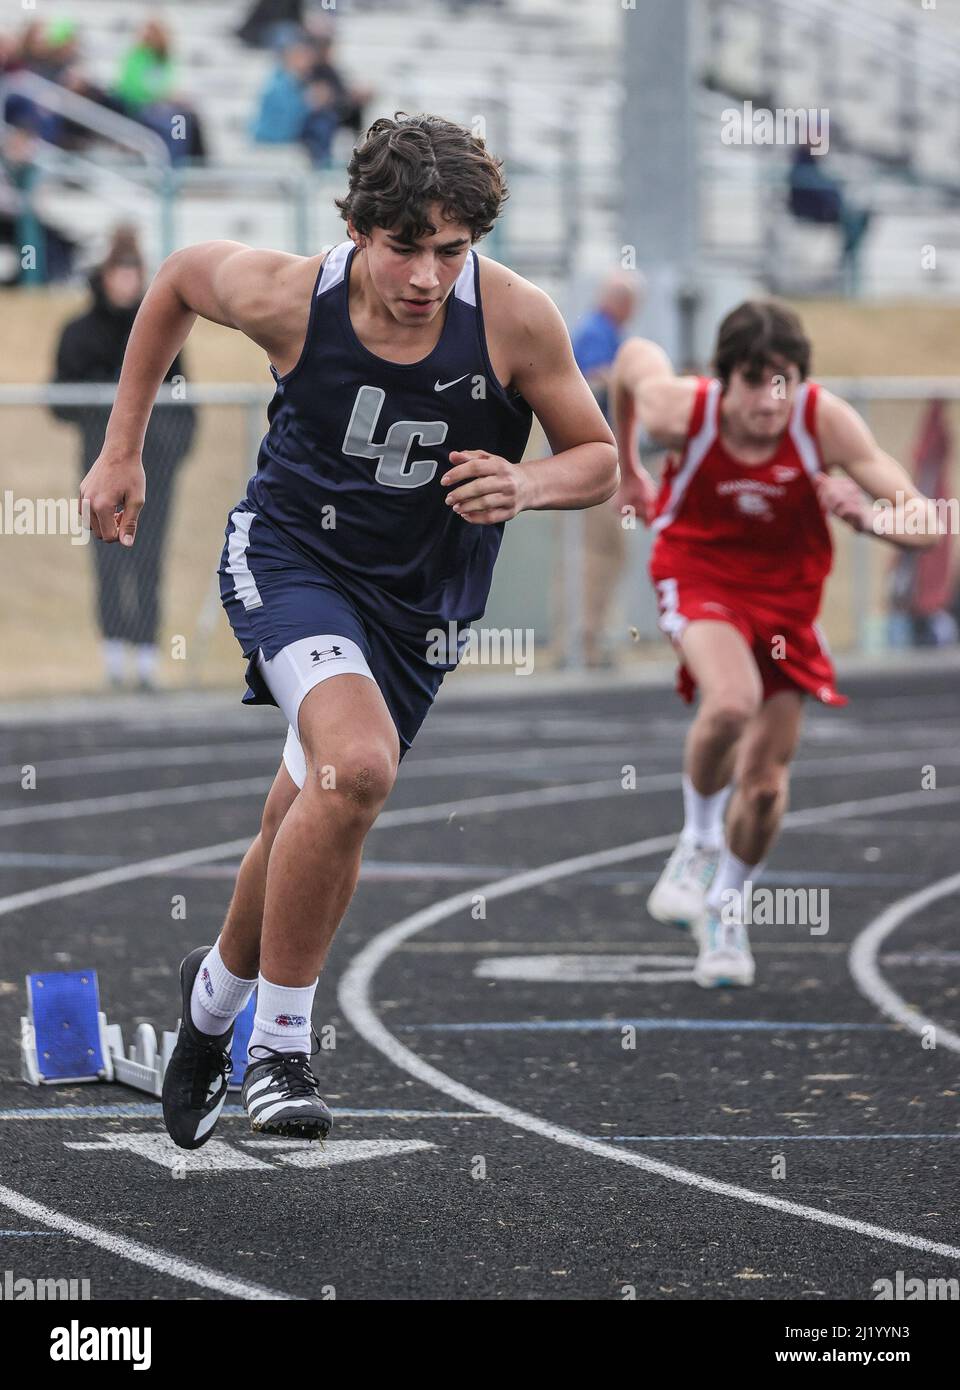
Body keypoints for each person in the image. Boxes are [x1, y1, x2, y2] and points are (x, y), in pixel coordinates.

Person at [80, 113, 618, 1148]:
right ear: (360, 228)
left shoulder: (514, 318)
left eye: (451, 251)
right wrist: (121, 450)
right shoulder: (293, 295)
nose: (427, 276)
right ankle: (280, 1045)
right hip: (293, 559)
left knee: (311, 809)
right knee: (358, 769)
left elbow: (598, 459)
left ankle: (208, 1008)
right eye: (405, 246)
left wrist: (528, 479)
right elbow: (181, 278)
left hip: (421, 603)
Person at [611, 300, 938, 988]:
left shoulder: (825, 422)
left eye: (784, 380)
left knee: (762, 789)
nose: (771, 400)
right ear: (725, 380)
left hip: (789, 603)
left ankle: (727, 904)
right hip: (699, 575)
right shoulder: (683, 413)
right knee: (730, 702)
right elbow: (634, 359)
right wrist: (628, 466)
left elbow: (927, 521)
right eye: (755, 382)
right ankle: (697, 841)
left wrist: (870, 517)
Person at [52, 229, 195, 686]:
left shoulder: (159, 331)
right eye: (119, 270)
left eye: (134, 270)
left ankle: (149, 656)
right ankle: (114, 654)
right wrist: (104, 400)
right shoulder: (78, 333)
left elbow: (184, 398)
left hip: (155, 469)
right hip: (98, 467)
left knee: (150, 556)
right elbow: (59, 399)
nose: (126, 280)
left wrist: (172, 449)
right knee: (107, 556)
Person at [570, 271, 640, 666]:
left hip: (592, 460)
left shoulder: (601, 330)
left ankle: (589, 642)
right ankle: (585, 645)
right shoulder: (598, 331)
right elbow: (598, 380)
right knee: (598, 553)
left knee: (603, 553)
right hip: (588, 462)